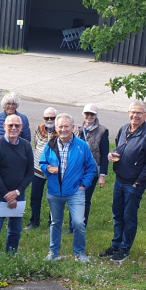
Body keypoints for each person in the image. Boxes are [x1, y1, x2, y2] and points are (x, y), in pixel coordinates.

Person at [100, 100, 146, 262]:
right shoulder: (124, 129)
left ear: (145, 115)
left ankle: (124, 249)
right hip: (119, 181)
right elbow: (119, 148)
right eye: (133, 112)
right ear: (128, 113)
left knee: (129, 217)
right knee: (117, 214)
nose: (135, 116)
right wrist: (112, 154)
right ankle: (115, 246)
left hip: (134, 184)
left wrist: (137, 183)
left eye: (139, 113)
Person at [39, 114, 97, 263]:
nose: (63, 129)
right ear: (56, 128)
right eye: (60, 126)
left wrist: (84, 185)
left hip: (75, 191)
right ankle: (53, 253)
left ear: (72, 127)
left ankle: (80, 253)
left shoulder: (81, 145)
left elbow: (91, 168)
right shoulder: (50, 144)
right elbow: (42, 163)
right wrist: (47, 168)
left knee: (78, 222)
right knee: (55, 222)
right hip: (54, 191)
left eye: (66, 126)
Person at [0, 115, 35, 254]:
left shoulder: (26, 146)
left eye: (17, 125)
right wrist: (7, 194)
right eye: (10, 125)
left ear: (21, 128)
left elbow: (30, 172)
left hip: (18, 194)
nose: (13, 128)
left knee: (15, 229)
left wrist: (17, 192)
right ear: (4, 127)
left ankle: (10, 256)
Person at [0, 93, 31, 223]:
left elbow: (27, 139)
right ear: (4, 104)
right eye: (8, 103)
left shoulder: (23, 119)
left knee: (14, 185)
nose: (10, 106)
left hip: (16, 159)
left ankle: (10, 217)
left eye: (13, 103)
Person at [71, 104, 109, 229]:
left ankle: (82, 224)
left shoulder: (102, 131)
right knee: (74, 198)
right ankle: (72, 225)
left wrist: (102, 175)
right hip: (76, 170)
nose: (89, 116)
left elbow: (104, 154)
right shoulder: (77, 129)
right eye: (87, 114)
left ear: (96, 115)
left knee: (85, 199)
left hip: (91, 171)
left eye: (92, 114)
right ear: (83, 114)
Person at [24, 107, 57, 230]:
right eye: (46, 118)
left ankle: (52, 223)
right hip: (38, 168)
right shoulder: (38, 129)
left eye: (52, 118)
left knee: (53, 197)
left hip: (54, 171)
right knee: (35, 196)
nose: (49, 120)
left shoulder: (60, 130)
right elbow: (36, 144)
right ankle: (34, 222)